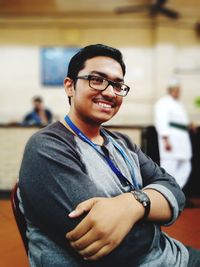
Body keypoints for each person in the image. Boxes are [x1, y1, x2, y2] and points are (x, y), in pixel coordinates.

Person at [18, 44, 200, 267]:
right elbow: (116, 248)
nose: (110, 91)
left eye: (118, 84)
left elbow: (174, 192)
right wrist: (154, 212)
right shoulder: (47, 147)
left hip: (175, 255)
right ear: (69, 86)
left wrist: (133, 204)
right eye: (97, 79)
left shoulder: (123, 142)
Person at [154, 81, 193, 189]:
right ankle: (166, 191)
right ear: (170, 90)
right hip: (170, 138)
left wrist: (189, 125)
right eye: (175, 89)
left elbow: (181, 120)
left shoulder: (178, 103)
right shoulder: (163, 102)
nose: (178, 92)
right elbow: (161, 121)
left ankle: (176, 190)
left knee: (186, 166)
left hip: (183, 138)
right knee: (169, 167)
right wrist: (165, 139)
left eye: (179, 90)